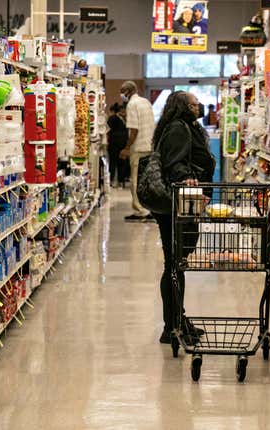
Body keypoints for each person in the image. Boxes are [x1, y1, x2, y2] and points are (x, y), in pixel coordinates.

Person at [152, 91, 215, 344]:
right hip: (175, 205)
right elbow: (175, 165)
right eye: (193, 104)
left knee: (177, 263)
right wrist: (189, 183)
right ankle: (171, 327)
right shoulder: (178, 128)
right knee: (174, 264)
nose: (198, 106)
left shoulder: (184, 126)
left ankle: (178, 319)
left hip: (182, 204)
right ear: (182, 107)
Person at [119, 81, 155, 222]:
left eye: (122, 91)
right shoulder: (145, 102)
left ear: (128, 91)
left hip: (138, 147)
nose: (121, 94)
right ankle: (150, 208)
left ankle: (140, 211)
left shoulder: (132, 105)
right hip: (149, 146)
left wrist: (127, 148)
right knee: (147, 180)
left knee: (135, 180)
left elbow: (134, 130)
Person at [107, 103, 130, 188]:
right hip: (115, 143)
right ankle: (113, 180)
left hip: (120, 143)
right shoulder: (115, 118)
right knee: (114, 162)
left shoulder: (124, 119)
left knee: (120, 162)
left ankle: (119, 180)